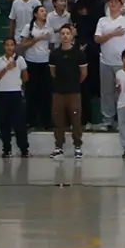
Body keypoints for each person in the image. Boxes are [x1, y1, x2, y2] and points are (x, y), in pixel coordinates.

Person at [94, 0, 125, 130]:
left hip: (122, 63)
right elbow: (97, 39)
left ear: (121, 5)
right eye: (110, 2)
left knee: (122, 92)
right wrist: (113, 34)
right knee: (106, 92)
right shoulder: (102, 21)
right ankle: (108, 120)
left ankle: (122, 120)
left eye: (115, 2)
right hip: (105, 61)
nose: (112, 4)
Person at [48, 24, 88, 159]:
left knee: (76, 119)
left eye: (67, 33)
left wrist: (74, 83)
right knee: (58, 119)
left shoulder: (79, 54)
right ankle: (58, 146)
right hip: (58, 92)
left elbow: (83, 73)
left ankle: (77, 146)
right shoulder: (54, 54)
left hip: (73, 92)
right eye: (63, 33)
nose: (65, 36)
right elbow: (53, 72)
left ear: (72, 36)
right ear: (60, 36)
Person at [0, 35, 29, 157]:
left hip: (15, 93)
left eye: (11, 45)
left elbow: (26, 77)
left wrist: (18, 84)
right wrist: (6, 69)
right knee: (4, 122)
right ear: (4, 46)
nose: (9, 47)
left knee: (19, 123)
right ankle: (6, 148)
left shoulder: (20, 60)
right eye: (7, 45)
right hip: (2, 94)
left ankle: (24, 148)